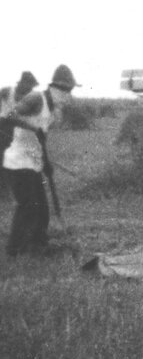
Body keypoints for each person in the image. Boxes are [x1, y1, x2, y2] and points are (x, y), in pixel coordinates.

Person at [2, 65, 77, 257]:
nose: (68, 96)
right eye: (66, 91)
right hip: (17, 161)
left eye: (70, 91)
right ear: (56, 89)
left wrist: (47, 164)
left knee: (42, 208)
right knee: (28, 205)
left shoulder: (52, 110)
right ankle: (14, 249)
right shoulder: (36, 98)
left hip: (32, 163)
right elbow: (8, 117)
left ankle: (37, 244)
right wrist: (32, 128)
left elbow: (41, 140)